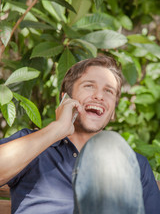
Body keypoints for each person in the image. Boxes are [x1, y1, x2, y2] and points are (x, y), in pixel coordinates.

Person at [0, 55, 159, 214]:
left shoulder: (134, 164)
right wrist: (57, 129)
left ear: (113, 112)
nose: (99, 96)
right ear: (65, 99)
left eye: (108, 91)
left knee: (110, 143)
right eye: (89, 86)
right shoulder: (33, 144)